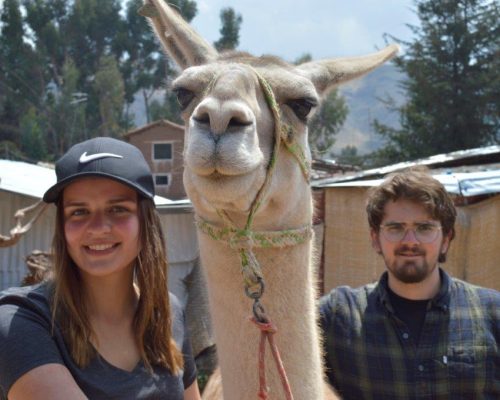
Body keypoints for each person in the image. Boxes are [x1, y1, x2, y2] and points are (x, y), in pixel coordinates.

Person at [0, 137, 201, 400]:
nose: (98, 228)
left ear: (146, 221)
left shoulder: (168, 312)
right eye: (79, 212)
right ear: (62, 226)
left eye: (118, 209)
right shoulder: (19, 320)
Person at [320, 168, 499, 399]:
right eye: (396, 228)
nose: (410, 241)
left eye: (424, 228)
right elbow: (284, 355)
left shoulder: (492, 313)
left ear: (446, 239)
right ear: (375, 239)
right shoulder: (340, 315)